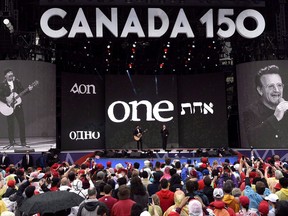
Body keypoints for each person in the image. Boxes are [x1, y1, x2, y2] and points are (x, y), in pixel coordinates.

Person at [243, 65, 288, 148]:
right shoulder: (251, 111)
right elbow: (253, 140)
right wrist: (275, 117)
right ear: (260, 90)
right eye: (271, 86)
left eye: (279, 85)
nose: (277, 90)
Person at [0, 69, 33, 147]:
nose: (10, 74)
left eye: (11, 72)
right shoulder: (2, 84)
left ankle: (23, 142)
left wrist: (28, 90)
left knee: (22, 123)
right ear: (5, 76)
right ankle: (11, 142)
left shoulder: (17, 82)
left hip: (18, 106)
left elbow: (22, 91)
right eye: (8, 73)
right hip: (8, 107)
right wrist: (5, 99)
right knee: (10, 125)